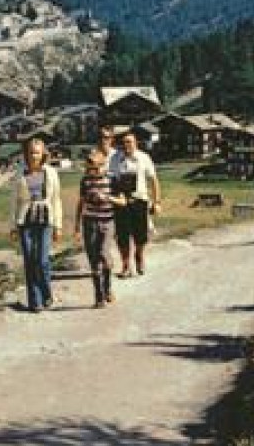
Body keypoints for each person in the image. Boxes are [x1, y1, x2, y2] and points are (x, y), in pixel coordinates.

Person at [9, 136, 63, 312]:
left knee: (42, 260)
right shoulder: (20, 173)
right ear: (26, 154)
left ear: (43, 154)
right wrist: (12, 227)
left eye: (37, 153)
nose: (34, 156)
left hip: (45, 219)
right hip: (25, 220)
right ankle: (35, 301)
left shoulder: (51, 173)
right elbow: (13, 201)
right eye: (31, 152)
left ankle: (47, 293)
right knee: (29, 261)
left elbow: (56, 200)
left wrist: (58, 226)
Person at [107, 130, 160, 278]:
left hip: (139, 201)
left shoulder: (144, 158)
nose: (126, 145)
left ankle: (139, 256)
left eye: (129, 142)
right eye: (124, 143)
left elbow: (154, 180)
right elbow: (111, 180)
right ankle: (125, 265)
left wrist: (157, 202)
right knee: (122, 236)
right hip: (122, 202)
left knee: (141, 235)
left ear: (136, 143)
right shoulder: (115, 159)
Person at [73, 149, 120, 307]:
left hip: (107, 222)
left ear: (104, 165)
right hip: (89, 223)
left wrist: (107, 197)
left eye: (96, 168)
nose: (92, 172)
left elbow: (123, 201)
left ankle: (107, 288)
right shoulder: (85, 180)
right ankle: (99, 296)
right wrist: (77, 227)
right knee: (93, 260)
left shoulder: (112, 179)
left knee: (104, 255)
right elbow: (81, 203)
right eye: (89, 169)